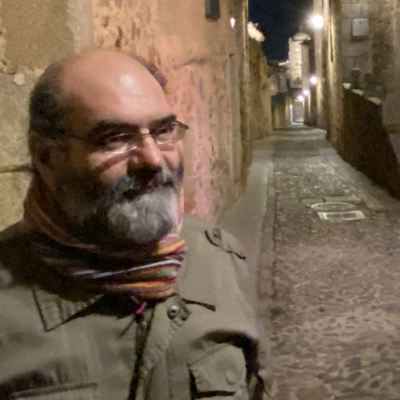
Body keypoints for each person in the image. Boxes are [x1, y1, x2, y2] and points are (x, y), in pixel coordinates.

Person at [0, 49, 268, 400]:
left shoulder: (219, 260)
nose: (153, 159)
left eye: (163, 131)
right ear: (46, 157)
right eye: (114, 138)